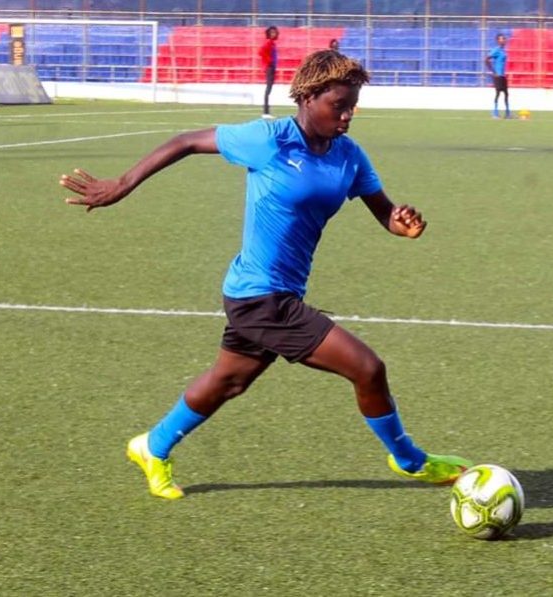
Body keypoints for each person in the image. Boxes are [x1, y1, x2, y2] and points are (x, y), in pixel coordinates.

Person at [59, 50, 473, 500]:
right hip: (262, 298)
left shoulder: (349, 157)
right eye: (340, 105)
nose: (349, 115)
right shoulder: (269, 139)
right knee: (368, 368)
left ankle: (152, 446)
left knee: (229, 380)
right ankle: (411, 461)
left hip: (267, 293)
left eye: (354, 105)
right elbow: (185, 141)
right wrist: (121, 184)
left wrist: (403, 223)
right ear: (309, 97)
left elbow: (386, 214)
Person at [485, 33, 510, 119]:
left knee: (506, 94)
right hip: (498, 75)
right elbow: (486, 59)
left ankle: (507, 113)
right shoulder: (496, 50)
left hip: (503, 75)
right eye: (501, 39)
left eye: (504, 39)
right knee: (498, 93)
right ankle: (495, 112)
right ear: (497, 41)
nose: (503, 40)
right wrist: (493, 71)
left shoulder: (503, 50)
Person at [258, 26, 279, 119]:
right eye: (272, 33)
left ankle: (266, 111)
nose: (274, 34)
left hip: (272, 67)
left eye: (275, 32)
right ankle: (265, 111)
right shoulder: (268, 43)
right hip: (269, 68)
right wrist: (268, 62)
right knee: (268, 89)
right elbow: (261, 51)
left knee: (269, 89)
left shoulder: (272, 43)